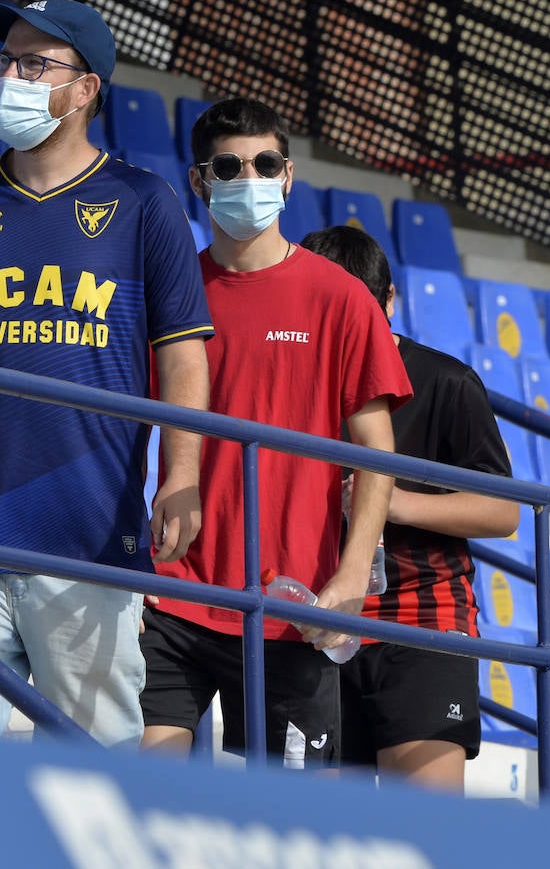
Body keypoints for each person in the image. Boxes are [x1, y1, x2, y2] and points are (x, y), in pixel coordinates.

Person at [0, 0, 212, 748]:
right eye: (5, 62)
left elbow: (184, 353)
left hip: (90, 542)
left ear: (86, 89)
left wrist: (180, 477)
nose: (10, 78)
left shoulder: (143, 203)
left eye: (34, 64)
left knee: (99, 785)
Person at [139, 98, 413, 768]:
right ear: (200, 181)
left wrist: (352, 574)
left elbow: (376, 452)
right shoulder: (168, 291)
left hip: (293, 606)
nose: (250, 179)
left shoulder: (340, 297)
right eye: (229, 166)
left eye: (266, 164)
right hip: (176, 593)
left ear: (289, 177)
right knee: (140, 794)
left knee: (288, 830)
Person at [300, 224, 520, 792]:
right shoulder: (297, 379)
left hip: (423, 622)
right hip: (320, 623)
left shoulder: (447, 382)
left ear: (389, 302)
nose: (346, 331)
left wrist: (396, 503)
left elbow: (504, 513)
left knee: (425, 836)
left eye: (360, 312)